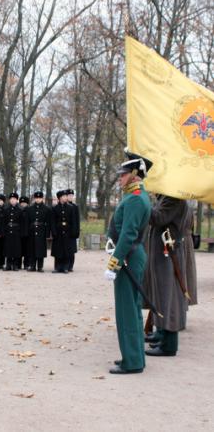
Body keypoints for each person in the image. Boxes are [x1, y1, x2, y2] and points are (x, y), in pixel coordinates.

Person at [105, 153, 152, 374]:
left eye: (123, 175)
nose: (120, 178)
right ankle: (135, 357)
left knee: (127, 310)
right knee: (132, 308)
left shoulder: (134, 198)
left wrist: (114, 262)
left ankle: (132, 362)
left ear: (134, 175)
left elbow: (128, 234)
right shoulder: (137, 195)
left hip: (128, 257)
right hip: (132, 255)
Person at [144, 195, 189, 357]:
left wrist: (144, 205)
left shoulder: (173, 198)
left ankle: (169, 345)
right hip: (165, 254)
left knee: (168, 298)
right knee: (162, 296)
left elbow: (158, 218)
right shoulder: (168, 197)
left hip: (168, 255)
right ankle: (162, 334)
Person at [0, 193, 27, 271]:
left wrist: (22, 233)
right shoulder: (5, 209)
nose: (13, 200)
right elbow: (3, 221)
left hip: (17, 231)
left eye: (14, 199)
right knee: (8, 248)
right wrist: (2, 231)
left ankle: (15, 265)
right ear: (9, 200)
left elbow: (23, 222)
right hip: (8, 230)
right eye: (11, 199)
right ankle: (8, 265)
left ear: (17, 200)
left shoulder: (21, 209)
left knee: (16, 249)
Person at [51, 190, 75, 273]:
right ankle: (57, 267)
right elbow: (53, 221)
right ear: (60, 198)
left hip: (67, 232)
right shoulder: (54, 208)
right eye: (64, 196)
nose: (66, 198)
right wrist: (53, 232)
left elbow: (73, 221)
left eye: (66, 196)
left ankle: (65, 267)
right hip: (58, 232)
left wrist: (73, 232)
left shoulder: (70, 208)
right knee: (58, 250)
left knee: (66, 250)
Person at [26, 191, 51, 272]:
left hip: (42, 231)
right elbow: (27, 221)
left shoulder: (46, 209)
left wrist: (47, 234)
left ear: (42, 198)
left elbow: (48, 222)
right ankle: (32, 266)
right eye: (36, 198)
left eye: (39, 198)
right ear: (34, 198)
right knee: (32, 249)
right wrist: (27, 231)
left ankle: (40, 266)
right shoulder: (30, 208)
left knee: (40, 249)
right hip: (32, 230)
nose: (38, 200)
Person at [66, 189, 80, 272]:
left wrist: (77, 231)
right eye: (69, 195)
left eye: (72, 195)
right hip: (66, 230)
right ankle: (66, 264)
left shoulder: (75, 206)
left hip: (73, 230)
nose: (71, 197)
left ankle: (71, 265)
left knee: (72, 249)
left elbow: (77, 220)